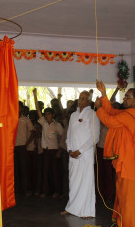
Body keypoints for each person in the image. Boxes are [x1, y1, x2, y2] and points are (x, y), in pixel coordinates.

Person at [94, 80, 135, 227]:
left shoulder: (133, 114)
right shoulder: (129, 113)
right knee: (122, 197)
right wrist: (103, 94)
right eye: (125, 97)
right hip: (124, 162)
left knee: (130, 200)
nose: (124, 99)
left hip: (130, 165)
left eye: (128, 97)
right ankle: (122, 222)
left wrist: (98, 109)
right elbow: (112, 112)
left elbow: (110, 121)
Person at [61, 91, 100, 219]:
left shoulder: (93, 115)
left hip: (85, 155)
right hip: (73, 155)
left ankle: (87, 211)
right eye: (79, 98)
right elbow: (69, 135)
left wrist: (80, 150)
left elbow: (95, 137)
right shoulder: (73, 115)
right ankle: (72, 207)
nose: (80, 100)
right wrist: (70, 150)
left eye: (83, 98)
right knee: (73, 182)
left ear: (89, 101)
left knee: (86, 183)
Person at [33, 88, 64, 198]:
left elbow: (62, 137)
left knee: (55, 172)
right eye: (45, 114)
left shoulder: (57, 125)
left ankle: (57, 192)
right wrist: (35, 96)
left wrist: (60, 150)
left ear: (53, 115)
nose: (47, 116)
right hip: (45, 150)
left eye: (49, 114)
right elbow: (37, 110)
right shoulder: (44, 123)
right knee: (45, 171)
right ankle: (46, 191)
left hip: (54, 150)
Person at [14, 102, 35, 195]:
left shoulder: (26, 120)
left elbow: (33, 132)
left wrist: (26, 144)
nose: (17, 109)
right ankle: (16, 190)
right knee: (15, 169)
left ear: (21, 109)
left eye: (19, 107)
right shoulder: (11, 118)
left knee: (24, 169)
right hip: (12, 147)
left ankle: (25, 190)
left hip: (22, 146)